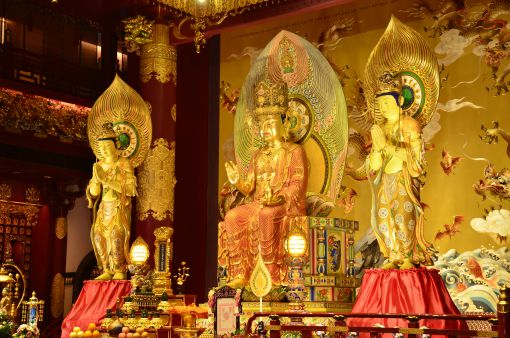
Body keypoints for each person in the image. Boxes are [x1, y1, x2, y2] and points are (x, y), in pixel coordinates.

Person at [218, 78, 308, 287]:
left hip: (282, 206)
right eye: (261, 125)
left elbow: (298, 182)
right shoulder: (258, 154)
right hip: (258, 203)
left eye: (270, 123)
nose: (264, 129)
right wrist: (237, 180)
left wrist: (278, 198)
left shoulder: (294, 151)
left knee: (267, 215)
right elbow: (249, 187)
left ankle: (270, 273)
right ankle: (241, 273)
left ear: (284, 123)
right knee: (232, 216)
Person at [367, 72, 435, 269]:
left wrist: (386, 147)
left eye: (387, 103)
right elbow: (375, 165)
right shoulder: (382, 128)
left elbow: (415, 158)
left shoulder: (410, 125)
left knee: (402, 217)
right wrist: (377, 149)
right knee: (383, 219)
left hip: (402, 180)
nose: (383, 108)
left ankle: (406, 256)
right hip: (386, 179)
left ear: (400, 101)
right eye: (380, 105)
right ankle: (392, 256)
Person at [86, 123, 137, 280]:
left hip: (118, 207)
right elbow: (94, 193)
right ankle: (106, 269)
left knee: (116, 236)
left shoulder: (124, 163)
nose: (105, 150)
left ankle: (119, 269)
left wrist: (106, 179)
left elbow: (130, 189)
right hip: (104, 207)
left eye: (108, 145)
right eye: (101, 146)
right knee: (98, 236)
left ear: (116, 145)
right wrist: (96, 179)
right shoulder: (99, 165)